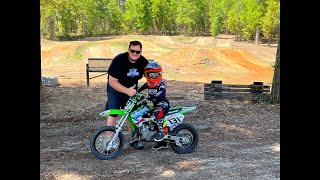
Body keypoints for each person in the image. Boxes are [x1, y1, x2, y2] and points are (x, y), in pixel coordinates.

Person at [104, 40, 149, 150]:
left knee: (133, 114)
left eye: (137, 52)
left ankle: (134, 139)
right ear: (128, 50)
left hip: (132, 90)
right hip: (115, 89)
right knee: (113, 112)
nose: (134, 53)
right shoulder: (119, 60)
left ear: (141, 52)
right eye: (132, 51)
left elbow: (151, 76)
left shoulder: (143, 62)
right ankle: (110, 142)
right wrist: (127, 91)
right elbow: (112, 81)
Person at [134, 61, 170, 150]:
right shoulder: (148, 84)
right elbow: (140, 90)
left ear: (159, 74)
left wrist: (154, 97)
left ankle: (163, 132)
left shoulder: (161, 83)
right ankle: (162, 143)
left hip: (163, 103)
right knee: (147, 116)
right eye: (150, 74)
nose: (152, 77)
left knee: (158, 112)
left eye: (154, 75)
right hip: (154, 104)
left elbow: (162, 93)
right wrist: (135, 94)